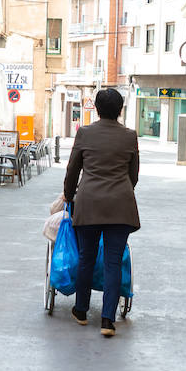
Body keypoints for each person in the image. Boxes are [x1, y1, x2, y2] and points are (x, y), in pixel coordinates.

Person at [62, 88, 140, 338]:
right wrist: (121, 190)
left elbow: (72, 170)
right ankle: (107, 320)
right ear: (120, 110)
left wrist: (68, 194)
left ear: (96, 108)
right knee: (113, 261)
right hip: (120, 206)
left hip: (89, 205)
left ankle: (81, 311)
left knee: (86, 257)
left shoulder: (84, 133)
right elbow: (133, 175)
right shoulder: (130, 136)